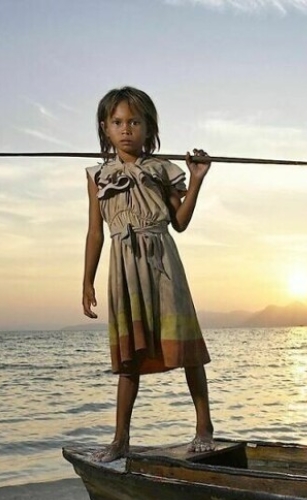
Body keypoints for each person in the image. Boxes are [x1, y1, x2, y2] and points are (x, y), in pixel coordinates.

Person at [82, 86, 214, 462]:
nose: (127, 130)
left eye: (135, 122)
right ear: (105, 128)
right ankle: (120, 438)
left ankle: (204, 426)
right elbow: (94, 232)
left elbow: (181, 222)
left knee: (185, 345)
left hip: (161, 261)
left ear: (148, 128)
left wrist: (197, 178)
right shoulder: (97, 177)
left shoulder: (161, 169)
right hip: (123, 267)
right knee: (128, 359)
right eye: (118, 122)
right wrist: (87, 280)